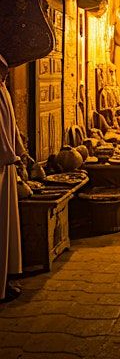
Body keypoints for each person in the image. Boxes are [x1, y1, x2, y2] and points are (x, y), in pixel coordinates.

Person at [0, 55, 23, 303]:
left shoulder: (3, 91)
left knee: (5, 226)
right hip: (3, 165)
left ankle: (6, 277)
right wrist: (11, 154)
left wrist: (18, 152)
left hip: (6, 166)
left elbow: (11, 126)